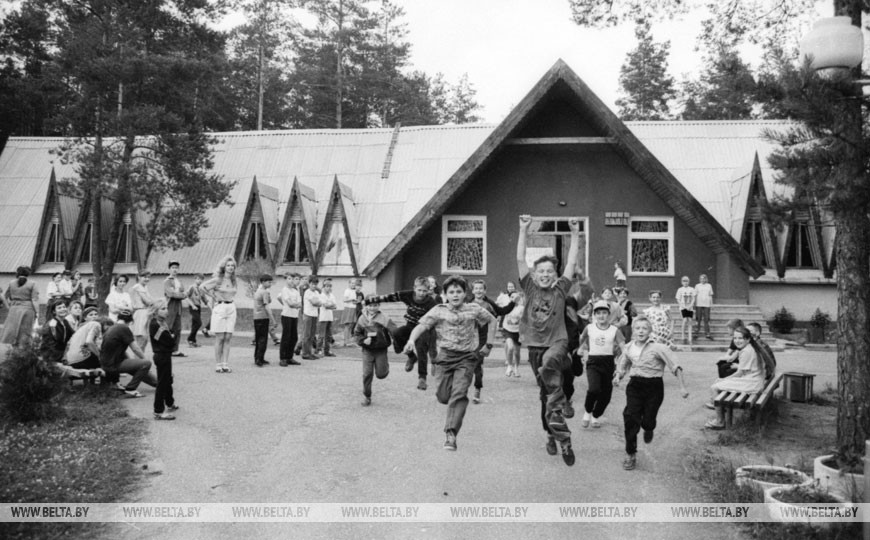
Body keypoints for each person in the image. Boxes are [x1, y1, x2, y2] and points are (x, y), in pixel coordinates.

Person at [517, 214, 582, 467]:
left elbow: (572, 261)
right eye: (540, 271)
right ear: (534, 275)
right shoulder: (530, 288)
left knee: (551, 366)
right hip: (535, 346)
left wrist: (575, 234)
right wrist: (523, 229)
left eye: (549, 271)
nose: (545, 274)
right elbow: (520, 258)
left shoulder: (560, 290)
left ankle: (560, 428)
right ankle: (557, 436)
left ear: (555, 275)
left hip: (557, 345)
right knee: (547, 395)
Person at [404, 275, 496, 451]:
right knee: (443, 396)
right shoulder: (439, 310)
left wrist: (488, 344)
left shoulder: (474, 309)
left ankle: (451, 434)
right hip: (445, 358)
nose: (455, 295)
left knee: (459, 393)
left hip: (467, 358)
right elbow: (422, 325)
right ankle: (451, 406)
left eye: (459, 292)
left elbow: (492, 320)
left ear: (464, 293)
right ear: (445, 294)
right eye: (451, 292)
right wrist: (411, 340)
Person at [613, 317, 689, 471]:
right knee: (630, 417)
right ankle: (630, 453)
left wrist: (682, 387)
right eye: (638, 328)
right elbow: (623, 364)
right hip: (635, 385)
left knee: (648, 420)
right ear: (633, 331)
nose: (641, 331)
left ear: (650, 331)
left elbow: (676, 366)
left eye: (644, 328)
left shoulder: (659, 348)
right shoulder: (628, 347)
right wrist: (618, 376)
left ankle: (649, 427)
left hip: (654, 387)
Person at [367, 276, 440, 391]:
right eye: (419, 290)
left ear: (428, 290)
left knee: (421, 349)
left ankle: (422, 378)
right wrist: (371, 300)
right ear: (414, 288)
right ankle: (411, 357)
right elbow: (391, 297)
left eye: (424, 291)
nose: (421, 293)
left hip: (424, 328)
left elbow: (438, 316)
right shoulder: (408, 295)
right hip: (410, 325)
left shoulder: (430, 302)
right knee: (396, 333)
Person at [577, 300, 627, 429]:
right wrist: (581, 348)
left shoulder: (614, 330)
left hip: (608, 362)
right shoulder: (590, 328)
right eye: (598, 313)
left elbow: (624, 347)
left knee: (606, 395)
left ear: (608, 314)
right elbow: (581, 339)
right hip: (593, 362)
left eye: (604, 313)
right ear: (594, 315)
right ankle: (587, 412)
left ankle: (596, 415)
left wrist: (626, 359)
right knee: (594, 389)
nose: (601, 316)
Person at [704, 326, 766, 429]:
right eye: (735, 338)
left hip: (752, 383)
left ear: (748, 339)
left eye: (740, 338)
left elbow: (740, 373)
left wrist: (725, 379)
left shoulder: (746, 351)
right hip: (754, 380)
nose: (737, 341)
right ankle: (719, 407)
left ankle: (720, 421)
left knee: (715, 387)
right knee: (718, 383)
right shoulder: (748, 347)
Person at [469, 280, 515, 404]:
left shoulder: (488, 303)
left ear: (485, 291)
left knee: (477, 364)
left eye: (481, 289)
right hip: (469, 336)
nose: (478, 291)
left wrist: (513, 303)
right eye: (476, 288)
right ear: (472, 290)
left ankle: (477, 389)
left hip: (483, 337)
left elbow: (501, 311)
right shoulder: (468, 303)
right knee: (468, 364)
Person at [100, 310, 157, 397]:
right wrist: (145, 359)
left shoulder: (112, 328)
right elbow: (136, 348)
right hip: (113, 365)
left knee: (140, 368)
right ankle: (131, 389)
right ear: (130, 322)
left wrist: (132, 363)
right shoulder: (123, 328)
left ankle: (157, 383)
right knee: (146, 363)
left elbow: (122, 350)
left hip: (106, 364)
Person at [354, 296, 397, 406]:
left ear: (379, 306)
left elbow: (394, 331)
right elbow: (356, 334)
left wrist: (399, 342)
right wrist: (363, 341)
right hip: (367, 350)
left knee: (381, 374)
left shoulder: (384, 318)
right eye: (370, 305)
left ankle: (384, 367)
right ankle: (367, 396)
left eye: (375, 305)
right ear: (366, 306)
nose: (372, 308)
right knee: (367, 374)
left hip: (381, 350)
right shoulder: (362, 319)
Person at [201, 255, 238, 373]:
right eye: (228, 265)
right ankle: (218, 364)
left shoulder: (233, 280)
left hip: (231, 307)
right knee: (220, 337)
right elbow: (202, 287)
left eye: (232, 266)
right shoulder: (218, 279)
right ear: (224, 267)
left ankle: (225, 364)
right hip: (220, 307)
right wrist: (213, 296)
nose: (230, 267)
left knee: (228, 337)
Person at [149, 299, 179, 420]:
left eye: (166, 308)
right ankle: (158, 411)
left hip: (165, 354)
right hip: (161, 355)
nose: (166, 311)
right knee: (162, 382)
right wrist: (171, 337)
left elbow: (170, 336)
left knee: (168, 379)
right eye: (162, 308)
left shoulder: (162, 322)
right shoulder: (155, 324)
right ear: (155, 311)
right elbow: (169, 340)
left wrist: (171, 336)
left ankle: (170, 402)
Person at [253, 274, 277, 366]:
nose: (270, 283)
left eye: (271, 282)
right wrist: (273, 319)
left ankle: (257, 357)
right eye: (268, 282)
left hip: (256, 317)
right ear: (263, 282)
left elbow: (268, 300)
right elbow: (267, 305)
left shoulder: (258, 291)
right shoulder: (264, 292)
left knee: (259, 338)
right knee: (263, 339)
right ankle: (259, 359)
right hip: (263, 317)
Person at [164, 261, 187, 357]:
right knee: (167, 327)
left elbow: (184, 292)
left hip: (178, 306)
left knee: (177, 328)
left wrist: (180, 294)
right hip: (170, 305)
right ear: (170, 269)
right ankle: (164, 349)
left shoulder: (179, 281)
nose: (175, 269)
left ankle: (175, 349)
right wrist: (181, 294)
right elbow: (171, 294)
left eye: (176, 267)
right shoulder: (167, 281)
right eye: (173, 267)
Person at [278, 273, 302, 366]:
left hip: (294, 316)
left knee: (294, 337)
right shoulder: (285, 290)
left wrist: (294, 304)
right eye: (289, 279)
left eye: (292, 279)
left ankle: (289, 356)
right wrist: (294, 304)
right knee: (286, 337)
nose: (291, 281)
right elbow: (290, 304)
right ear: (286, 280)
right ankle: (283, 358)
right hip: (286, 315)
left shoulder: (296, 291)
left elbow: (300, 304)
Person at [501, 292, 525, 378]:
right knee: (510, 347)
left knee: (517, 352)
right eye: (512, 297)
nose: (514, 298)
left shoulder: (522, 308)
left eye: (516, 297)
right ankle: (509, 366)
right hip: (508, 330)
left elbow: (525, 321)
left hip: (518, 331)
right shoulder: (507, 306)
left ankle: (516, 368)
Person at [130, 271, 154, 351]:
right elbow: (148, 301)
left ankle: (141, 356)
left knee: (145, 337)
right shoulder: (137, 287)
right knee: (141, 335)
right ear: (139, 277)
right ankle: (138, 357)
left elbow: (151, 300)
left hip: (145, 312)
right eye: (144, 277)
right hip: (140, 312)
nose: (147, 279)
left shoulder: (145, 287)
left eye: (148, 277)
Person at [300, 276, 322, 359]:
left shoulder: (317, 293)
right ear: (309, 284)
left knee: (312, 335)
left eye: (315, 284)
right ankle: (305, 353)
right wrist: (317, 302)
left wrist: (317, 302)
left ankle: (310, 352)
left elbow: (320, 303)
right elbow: (314, 302)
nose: (314, 286)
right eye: (312, 284)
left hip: (314, 315)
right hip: (308, 315)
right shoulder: (307, 292)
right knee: (306, 335)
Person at [317, 278, 338, 357]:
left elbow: (335, 306)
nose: (328, 288)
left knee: (328, 335)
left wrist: (330, 305)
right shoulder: (321, 295)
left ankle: (327, 350)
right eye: (327, 286)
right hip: (323, 317)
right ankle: (318, 350)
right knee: (321, 335)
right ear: (323, 287)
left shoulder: (332, 295)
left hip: (330, 317)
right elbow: (325, 306)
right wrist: (330, 305)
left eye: (330, 286)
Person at [675, 276, 696, 345]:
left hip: (690, 307)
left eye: (686, 281)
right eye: (684, 281)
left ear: (688, 282)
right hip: (683, 307)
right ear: (681, 282)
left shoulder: (692, 289)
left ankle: (690, 338)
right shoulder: (680, 290)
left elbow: (693, 298)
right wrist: (683, 306)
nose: (685, 283)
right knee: (684, 320)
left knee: (690, 321)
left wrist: (690, 305)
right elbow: (678, 299)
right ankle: (683, 337)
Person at [339, 279, 361, 347]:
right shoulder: (347, 291)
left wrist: (357, 301)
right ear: (349, 284)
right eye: (351, 283)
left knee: (351, 325)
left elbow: (354, 301)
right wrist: (351, 300)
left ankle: (348, 340)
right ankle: (346, 341)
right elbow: (344, 299)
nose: (353, 284)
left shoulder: (354, 291)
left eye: (354, 283)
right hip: (348, 309)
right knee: (347, 325)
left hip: (353, 308)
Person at [187, 274, 205, 348]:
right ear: (194, 279)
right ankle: (189, 338)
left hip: (198, 307)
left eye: (201, 279)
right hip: (193, 307)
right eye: (197, 279)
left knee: (195, 324)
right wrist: (192, 305)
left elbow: (204, 298)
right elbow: (186, 297)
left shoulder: (201, 288)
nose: (199, 280)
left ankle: (193, 341)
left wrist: (210, 306)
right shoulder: (192, 287)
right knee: (198, 323)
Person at [694, 274, 714, 340]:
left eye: (704, 278)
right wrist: (694, 304)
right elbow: (695, 295)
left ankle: (707, 333)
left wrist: (711, 304)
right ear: (700, 279)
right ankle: (696, 333)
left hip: (707, 304)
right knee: (698, 319)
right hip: (699, 304)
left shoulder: (709, 285)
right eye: (701, 278)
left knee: (706, 319)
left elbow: (710, 295)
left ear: (706, 279)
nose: (702, 280)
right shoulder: (697, 286)